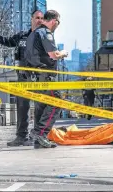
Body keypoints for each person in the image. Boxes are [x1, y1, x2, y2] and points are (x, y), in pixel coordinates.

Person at [0, 10, 44, 147]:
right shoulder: (22, 36)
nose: (39, 20)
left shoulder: (44, 37)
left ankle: (38, 136)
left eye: (42, 18)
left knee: (40, 107)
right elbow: (7, 41)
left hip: (39, 77)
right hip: (23, 77)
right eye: (37, 17)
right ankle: (21, 137)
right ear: (31, 19)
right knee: (22, 107)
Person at [24, 10, 68, 149]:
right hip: (45, 77)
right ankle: (40, 133)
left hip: (35, 77)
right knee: (56, 102)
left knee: (42, 107)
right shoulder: (45, 33)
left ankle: (39, 138)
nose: (57, 26)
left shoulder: (33, 34)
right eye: (58, 23)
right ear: (54, 21)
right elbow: (53, 55)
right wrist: (63, 53)